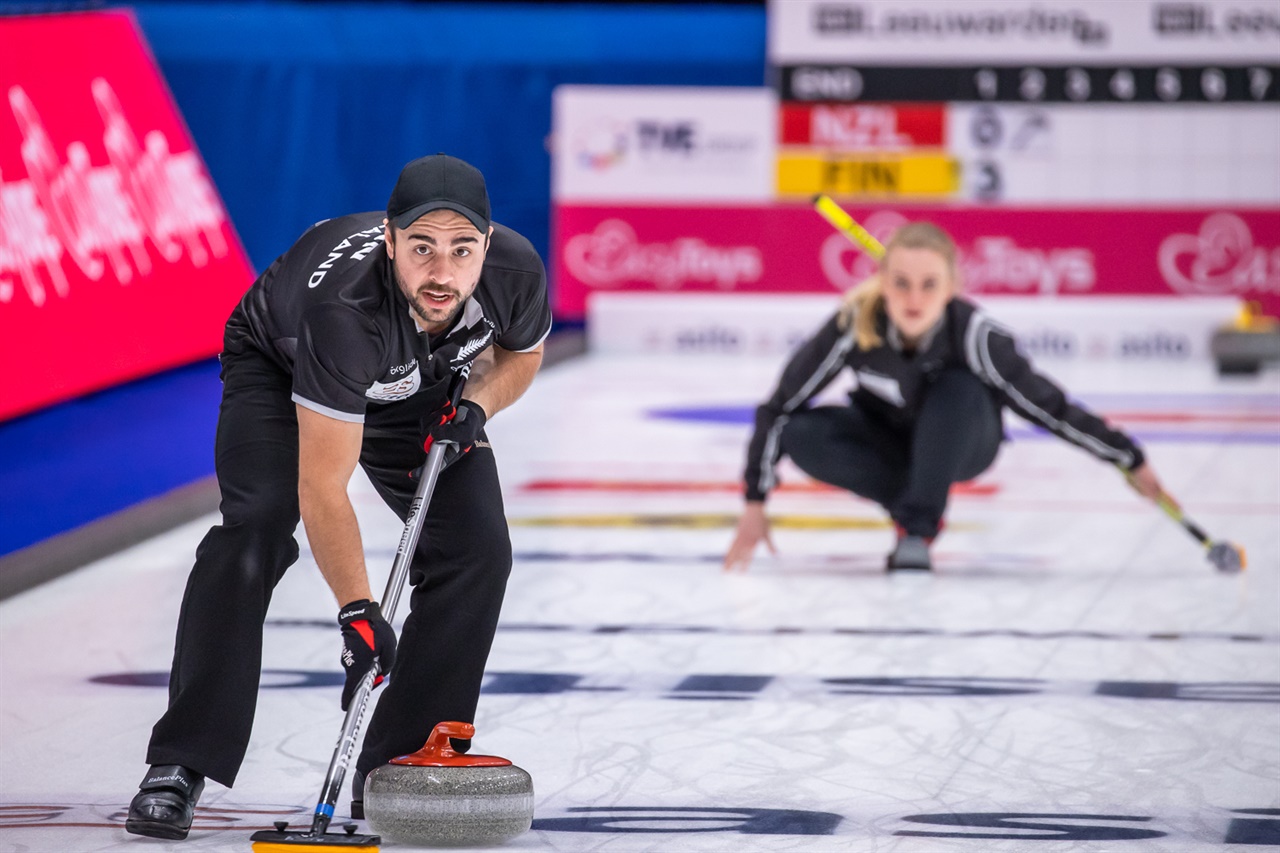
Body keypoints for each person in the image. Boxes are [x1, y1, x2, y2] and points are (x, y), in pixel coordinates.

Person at [125, 154, 552, 840]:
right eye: (421, 249)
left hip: (420, 386)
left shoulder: (516, 271)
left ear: (487, 245)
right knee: (256, 529)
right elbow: (324, 485)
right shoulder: (345, 310)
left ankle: (397, 761)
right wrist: (359, 615)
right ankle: (180, 761)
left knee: (478, 549)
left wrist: (477, 404)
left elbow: (520, 356)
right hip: (285, 364)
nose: (441, 272)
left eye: (461, 250)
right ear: (388, 243)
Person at [724, 221, 1168, 573]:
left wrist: (1127, 457)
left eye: (928, 284)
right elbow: (778, 407)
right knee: (801, 432)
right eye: (901, 283)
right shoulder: (854, 325)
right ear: (882, 282)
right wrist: (755, 502)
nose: (913, 298)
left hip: (966, 440)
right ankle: (913, 501)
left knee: (956, 385)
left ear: (952, 286)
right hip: (893, 442)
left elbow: (1047, 407)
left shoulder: (975, 334)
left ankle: (916, 532)